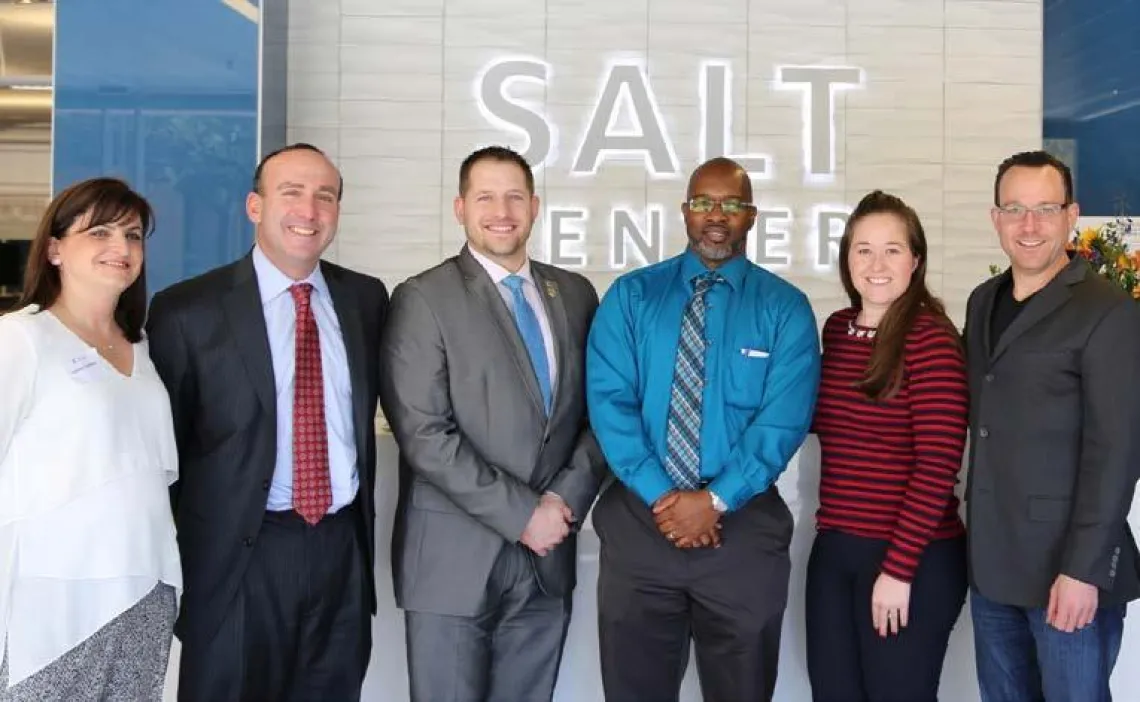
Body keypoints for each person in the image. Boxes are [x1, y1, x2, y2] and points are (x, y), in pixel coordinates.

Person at [145, 143, 389, 701]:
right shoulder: (187, 310)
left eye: (324, 197)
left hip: (340, 552)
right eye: (292, 193)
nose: (309, 210)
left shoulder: (365, 299)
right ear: (254, 206)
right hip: (239, 557)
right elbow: (167, 454)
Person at [585, 156, 820, 702]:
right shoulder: (632, 297)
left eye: (732, 204)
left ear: (752, 216)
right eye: (704, 203)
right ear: (685, 212)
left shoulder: (785, 309)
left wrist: (714, 500)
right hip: (643, 525)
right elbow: (609, 404)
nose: (717, 215)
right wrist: (667, 499)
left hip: (742, 532)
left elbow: (782, 423)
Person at [379, 145, 606, 702]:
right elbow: (425, 436)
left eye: (514, 197)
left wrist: (562, 503)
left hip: (547, 559)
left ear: (535, 206)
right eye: (485, 197)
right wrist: (524, 513)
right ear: (460, 208)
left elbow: (602, 413)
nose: (501, 210)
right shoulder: (421, 298)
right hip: (452, 563)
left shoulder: (575, 294)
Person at [964, 150, 1140, 702]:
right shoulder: (982, 301)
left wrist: (1085, 570)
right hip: (992, 567)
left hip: (1066, 573)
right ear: (996, 219)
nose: (1029, 225)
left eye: (1045, 208)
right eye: (1014, 209)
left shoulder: (1108, 310)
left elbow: (1116, 450)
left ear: (1072, 215)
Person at [0, 178, 180, 701]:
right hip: (51, 601)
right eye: (99, 231)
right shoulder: (21, 338)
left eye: (133, 235)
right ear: (55, 248)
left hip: (146, 590)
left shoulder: (142, 348)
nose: (120, 248)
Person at [806, 190, 969, 702]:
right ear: (847, 259)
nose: (877, 264)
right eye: (863, 249)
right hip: (835, 551)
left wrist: (898, 570)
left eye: (893, 249)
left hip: (911, 560)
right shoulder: (838, 329)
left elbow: (938, 464)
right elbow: (821, 421)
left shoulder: (931, 338)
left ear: (915, 260)